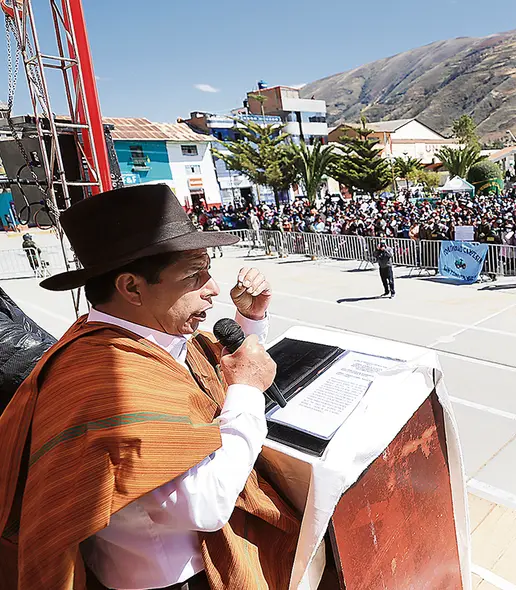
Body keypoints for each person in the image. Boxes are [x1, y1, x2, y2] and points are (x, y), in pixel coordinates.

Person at [0, 185, 306, 589]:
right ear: (131, 288)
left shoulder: (146, 340)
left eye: (208, 269)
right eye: (193, 275)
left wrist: (249, 322)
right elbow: (207, 503)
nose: (212, 287)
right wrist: (247, 391)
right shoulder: (106, 377)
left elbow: (213, 374)